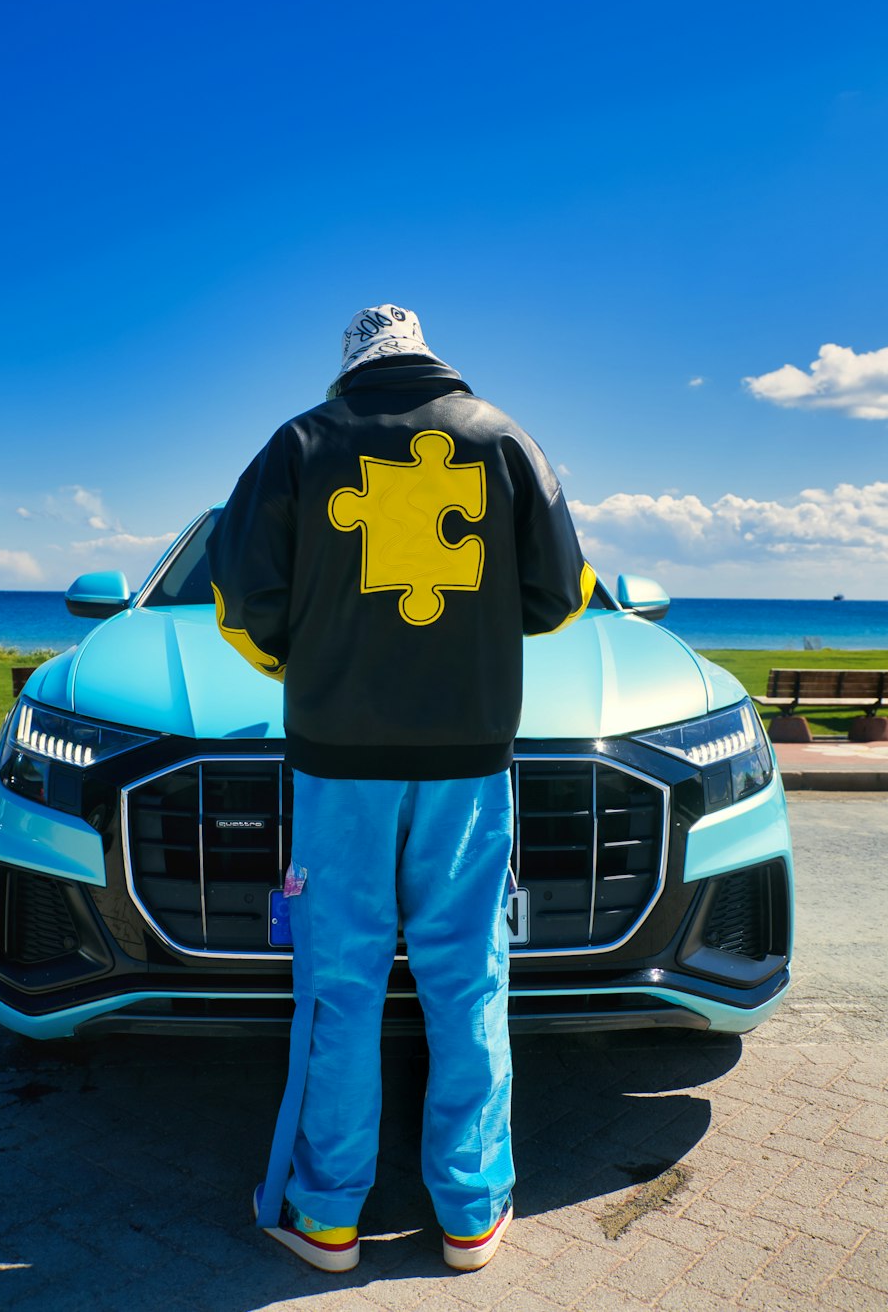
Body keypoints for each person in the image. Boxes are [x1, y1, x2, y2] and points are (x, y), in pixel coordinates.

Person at [207, 305, 594, 1273]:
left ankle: (327, 1216)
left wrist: (319, 664)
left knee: (338, 987)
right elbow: (561, 596)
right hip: (468, 764)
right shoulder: (504, 440)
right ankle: (469, 1214)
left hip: (339, 768)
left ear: (350, 365)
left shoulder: (299, 443)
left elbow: (237, 603)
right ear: (429, 356)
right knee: (468, 982)